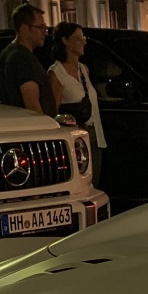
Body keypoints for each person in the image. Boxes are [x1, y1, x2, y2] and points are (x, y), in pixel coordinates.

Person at [48, 22, 105, 186]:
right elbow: (54, 111)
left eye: (83, 37)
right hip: (76, 137)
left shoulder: (83, 69)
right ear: (66, 41)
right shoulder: (57, 73)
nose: (83, 42)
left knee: (95, 182)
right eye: (78, 38)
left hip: (95, 133)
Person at [0, 3, 56, 117]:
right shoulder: (22, 58)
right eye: (40, 27)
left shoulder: (9, 52)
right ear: (24, 28)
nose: (45, 32)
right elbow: (32, 105)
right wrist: (45, 129)